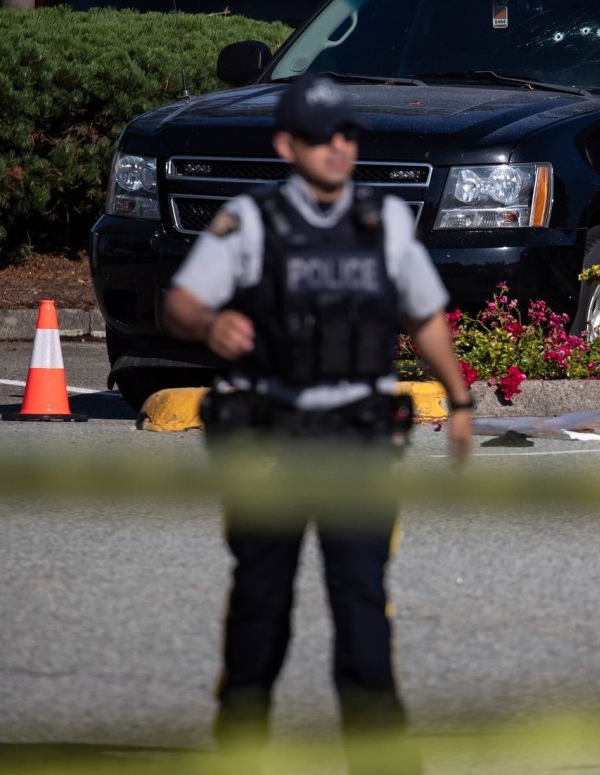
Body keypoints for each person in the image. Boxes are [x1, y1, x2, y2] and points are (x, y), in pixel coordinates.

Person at [161, 74, 474, 771]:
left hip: (355, 436)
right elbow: (178, 304)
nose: (337, 147)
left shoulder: (383, 221)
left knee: (362, 599)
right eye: (319, 136)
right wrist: (210, 323)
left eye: (347, 135)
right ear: (286, 144)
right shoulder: (247, 222)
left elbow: (423, 316)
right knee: (260, 603)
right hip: (269, 436)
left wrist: (459, 400)